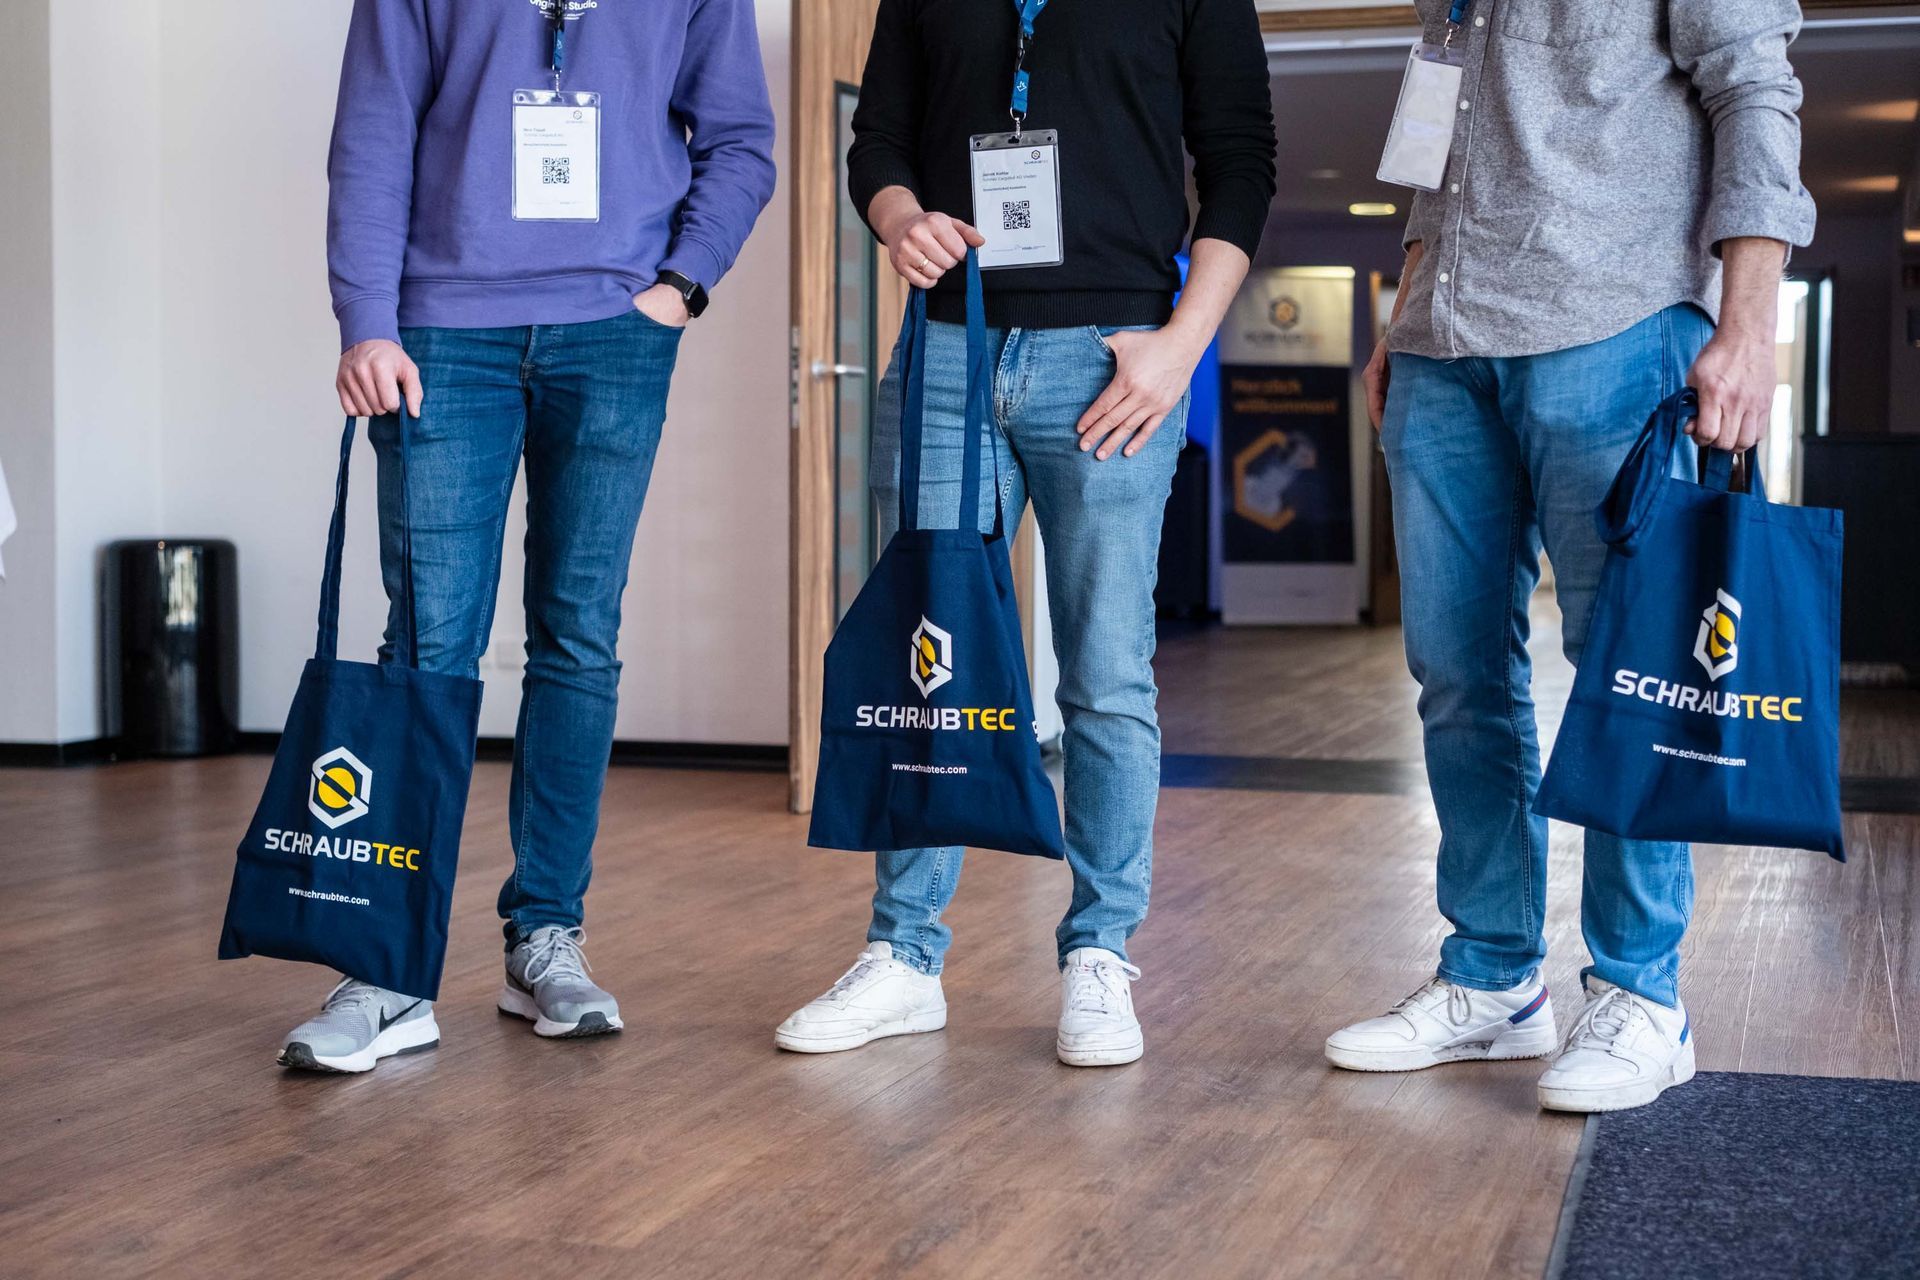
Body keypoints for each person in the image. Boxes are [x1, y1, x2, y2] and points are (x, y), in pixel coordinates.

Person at [1324, 0, 1814, 1111]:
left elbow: (1755, 88)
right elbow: (1441, 141)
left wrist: (1748, 327)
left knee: (1633, 673)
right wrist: (1403, 317)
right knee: (1456, 677)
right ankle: (1492, 974)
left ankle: (1643, 994)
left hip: (1615, 321)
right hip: (1443, 349)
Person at [775, 0, 1276, 1066]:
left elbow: (1240, 161)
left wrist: (1183, 344)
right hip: (948, 348)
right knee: (931, 656)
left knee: (1105, 670)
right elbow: (879, 142)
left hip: (1115, 356)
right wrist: (900, 219)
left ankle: (1099, 949)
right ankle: (904, 954)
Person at [279, 0, 776, 1072]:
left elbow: (740, 137)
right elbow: (372, 133)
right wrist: (367, 319)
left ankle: (545, 935)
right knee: (428, 645)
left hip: (616, 333)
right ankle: (388, 964)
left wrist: (683, 283)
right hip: (439, 331)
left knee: (577, 634)